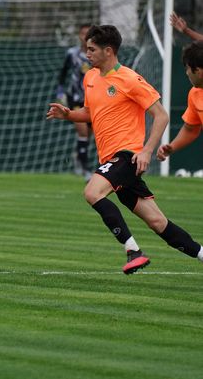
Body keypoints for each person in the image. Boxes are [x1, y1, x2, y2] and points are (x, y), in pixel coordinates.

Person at [47, 25, 203, 274]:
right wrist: (68, 115)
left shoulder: (129, 79)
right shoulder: (90, 78)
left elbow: (161, 116)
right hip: (111, 160)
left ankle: (133, 251)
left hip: (127, 156)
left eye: (91, 49)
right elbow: (89, 112)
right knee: (157, 222)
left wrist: (146, 151)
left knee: (92, 192)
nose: (86, 54)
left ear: (108, 51)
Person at [56, 24, 93, 180]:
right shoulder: (72, 54)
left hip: (93, 99)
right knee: (82, 131)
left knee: (88, 135)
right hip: (76, 98)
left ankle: (78, 156)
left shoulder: (98, 55)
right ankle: (85, 171)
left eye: (88, 34)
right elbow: (63, 74)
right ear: (79, 35)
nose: (85, 37)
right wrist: (60, 93)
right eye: (83, 33)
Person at [157, 41, 203, 160]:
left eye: (187, 68)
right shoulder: (195, 93)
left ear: (198, 71)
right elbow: (191, 129)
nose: (187, 73)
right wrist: (172, 147)